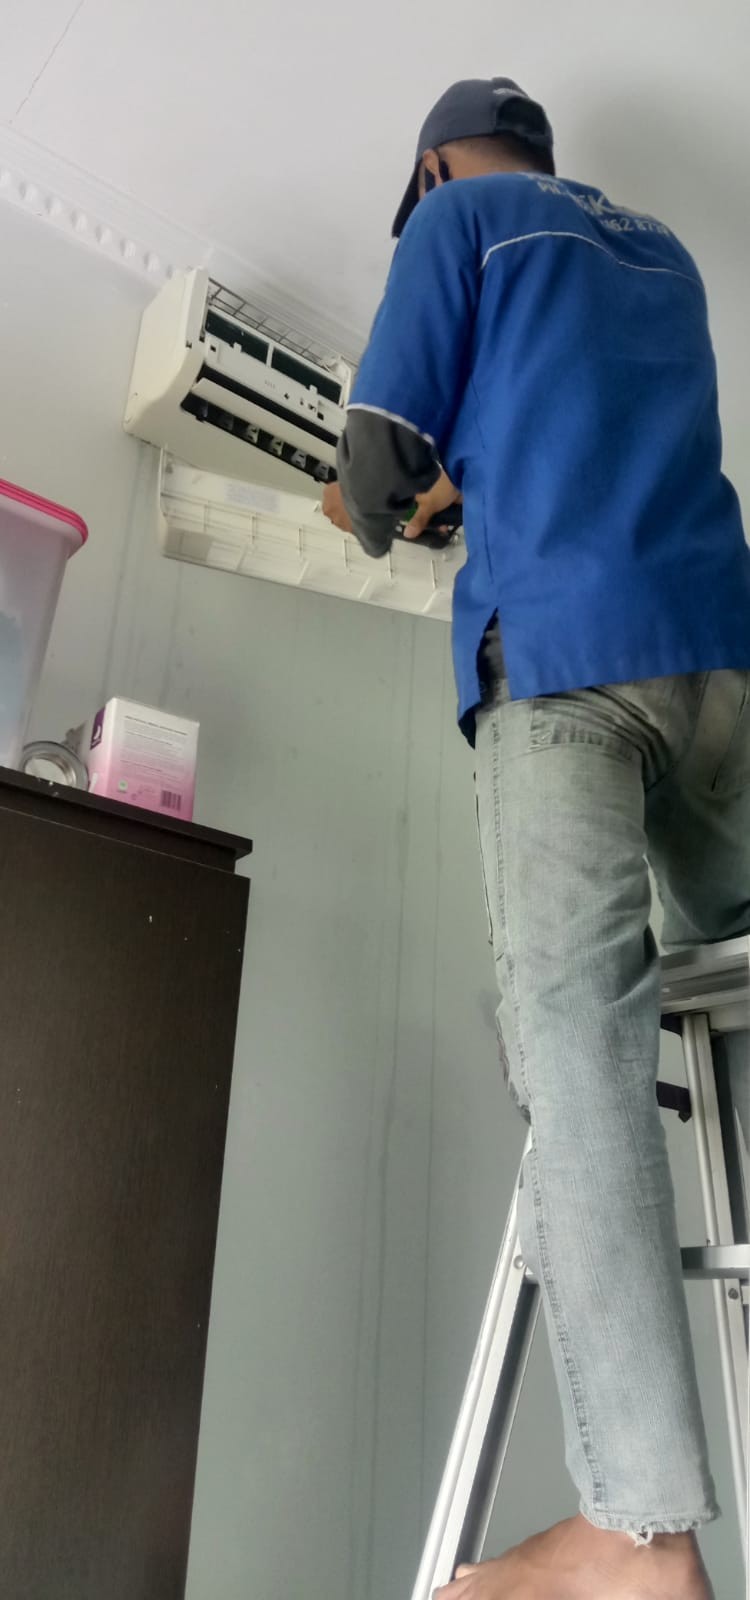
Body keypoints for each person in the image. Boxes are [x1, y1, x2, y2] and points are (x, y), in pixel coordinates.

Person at [322, 77, 750, 1600]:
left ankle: (638, 1533)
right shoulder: (664, 254)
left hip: (566, 671)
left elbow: (379, 456)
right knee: (736, 1014)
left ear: (434, 166)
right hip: (720, 674)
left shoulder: (466, 223)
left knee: (578, 1044)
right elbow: (596, 442)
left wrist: (373, 508)